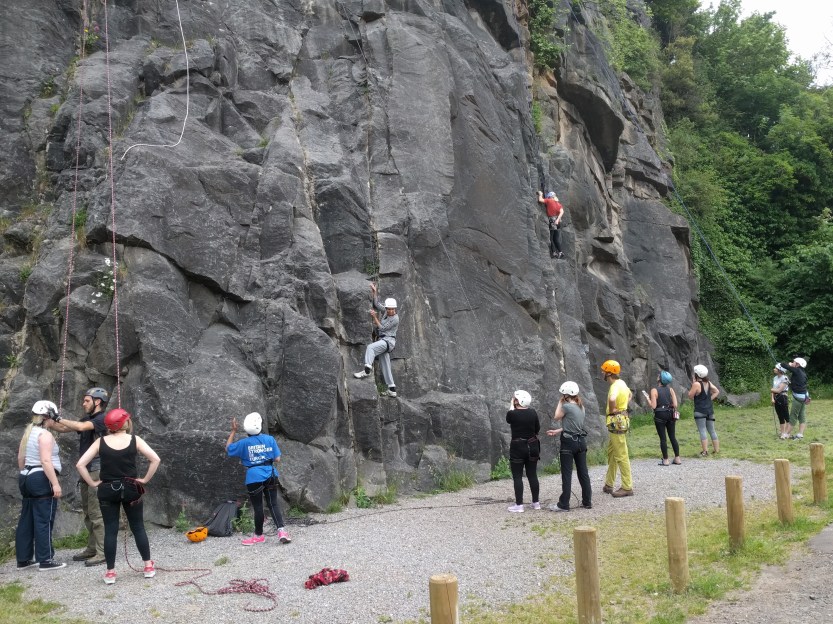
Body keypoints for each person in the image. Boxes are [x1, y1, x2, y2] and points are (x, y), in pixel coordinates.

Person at [76, 408, 160, 585]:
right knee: (138, 527)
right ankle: (148, 566)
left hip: (107, 489)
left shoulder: (100, 442)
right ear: (125, 423)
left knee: (110, 530)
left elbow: (80, 464)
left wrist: (92, 483)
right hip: (131, 488)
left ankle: (110, 572)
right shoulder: (135, 440)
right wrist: (145, 479)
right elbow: (155, 459)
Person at [46, 387, 109, 566]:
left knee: (96, 513)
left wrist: (58, 417)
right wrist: (49, 420)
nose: (83, 403)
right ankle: (92, 548)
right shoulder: (87, 419)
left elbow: (80, 427)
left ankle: (102, 552)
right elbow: (63, 428)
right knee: (88, 512)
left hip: (97, 470)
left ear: (97, 402)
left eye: (87, 400)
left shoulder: (101, 419)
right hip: (87, 471)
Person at [226, 412, 292, 545]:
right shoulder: (270, 439)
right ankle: (282, 531)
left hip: (253, 477)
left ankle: (258, 536)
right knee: (273, 504)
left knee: (258, 507)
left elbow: (228, 449)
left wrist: (233, 431)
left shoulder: (244, 443)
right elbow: (277, 458)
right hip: (270, 474)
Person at [15, 401, 66, 571]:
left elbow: (21, 459)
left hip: (26, 476)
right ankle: (45, 559)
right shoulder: (45, 435)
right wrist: (55, 483)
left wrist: (26, 475)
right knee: (44, 519)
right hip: (41, 478)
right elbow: (45, 461)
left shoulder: (28, 432)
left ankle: (23, 559)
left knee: (26, 519)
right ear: (47, 416)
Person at [546, 381, 592, 511]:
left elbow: (556, 417)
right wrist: (558, 430)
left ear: (566, 395)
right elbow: (574, 426)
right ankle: (587, 501)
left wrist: (560, 402)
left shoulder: (566, 406)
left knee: (567, 473)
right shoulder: (581, 407)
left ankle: (564, 504)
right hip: (581, 442)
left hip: (568, 443)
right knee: (583, 473)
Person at [353, 282, 400, 397]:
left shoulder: (395, 319)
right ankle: (392, 389)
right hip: (384, 342)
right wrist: (374, 292)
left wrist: (374, 317)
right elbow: (377, 304)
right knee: (385, 365)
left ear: (395, 309)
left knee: (371, 348)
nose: (390, 311)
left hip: (388, 341)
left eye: (392, 309)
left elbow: (382, 328)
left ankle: (367, 370)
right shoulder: (386, 312)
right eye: (389, 309)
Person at [601, 359, 634, 497]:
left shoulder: (614, 386)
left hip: (616, 422)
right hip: (620, 421)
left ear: (609, 373)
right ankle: (609, 484)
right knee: (613, 452)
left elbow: (612, 398)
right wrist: (623, 407)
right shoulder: (622, 383)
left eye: (604, 370)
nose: (602, 372)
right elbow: (630, 394)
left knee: (621, 454)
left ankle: (627, 487)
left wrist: (614, 409)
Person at [506, 390, 541, 512]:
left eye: (514, 399)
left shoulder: (512, 414)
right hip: (533, 446)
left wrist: (512, 405)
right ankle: (536, 503)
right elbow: (537, 428)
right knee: (532, 474)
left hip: (517, 446)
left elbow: (508, 419)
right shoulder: (533, 412)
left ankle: (519, 505)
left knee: (517, 476)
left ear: (518, 401)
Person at [647, 370, 681, 466]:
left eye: (659, 375)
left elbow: (653, 406)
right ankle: (677, 458)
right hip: (670, 414)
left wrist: (648, 399)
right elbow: (675, 405)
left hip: (660, 415)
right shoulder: (671, 390)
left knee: (663, 438)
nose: (658, 376)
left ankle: (665, 460)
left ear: (660, 379)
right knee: (672, 437)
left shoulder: (654, 390)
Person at [688, 365, 720, 456]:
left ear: (697, 374)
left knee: (702, 430)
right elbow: (717, 391)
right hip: (710, 410)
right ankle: (716, 450)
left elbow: (690, 396)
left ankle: (705, 451)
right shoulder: (708, 383)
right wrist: (708, 400)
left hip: (700, 410)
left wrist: (693, 384)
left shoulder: (696, 384)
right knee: (712, 430)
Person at [780, 357, 809, 440]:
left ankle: (786, 434)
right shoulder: (802, 372)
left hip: (799, 397)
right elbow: (796, 383)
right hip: (804, 396)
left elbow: (783, 364)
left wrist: (789, 365)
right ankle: (800, 434)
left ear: (797, 364)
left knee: (793, 415)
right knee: (801, 415)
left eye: (794, 362)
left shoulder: (797, 370)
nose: (792, 362)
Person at [537, 190, 565, 259]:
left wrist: (540, 194)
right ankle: (560, 252)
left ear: (549, 197)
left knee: (551, 238)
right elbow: (562, 212)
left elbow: (540, 200)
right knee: (556, 238)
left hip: (552, 220)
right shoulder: (558, 204)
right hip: (558, 222)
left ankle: (554, 252)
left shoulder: (549, 200)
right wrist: (558, 219)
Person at [771, 364, 791, 439]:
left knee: (786, 416)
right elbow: (773, 389)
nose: (774, 369)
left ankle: (787, 433)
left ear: (780, 370)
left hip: (782, 397)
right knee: (780, 416)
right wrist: (772, 398)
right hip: (776, 397)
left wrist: (772, 390)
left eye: (776, 368)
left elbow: (779, 390)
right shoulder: (775, 378)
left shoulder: (785, 378)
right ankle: (782, 433)